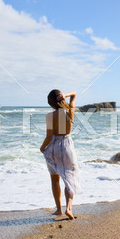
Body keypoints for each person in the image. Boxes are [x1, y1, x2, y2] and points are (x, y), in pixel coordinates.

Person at [40, 90, 80, 219]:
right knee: (70, 178)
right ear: (61, 99)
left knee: (54, 178)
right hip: (67, 146)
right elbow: (75, 94)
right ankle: (69, 208)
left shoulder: (50, 116)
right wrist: (66, 95)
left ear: (51, 103)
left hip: (53, 147)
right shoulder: (69, 111)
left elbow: (49, 137)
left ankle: (59, 210)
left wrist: (42, 148)